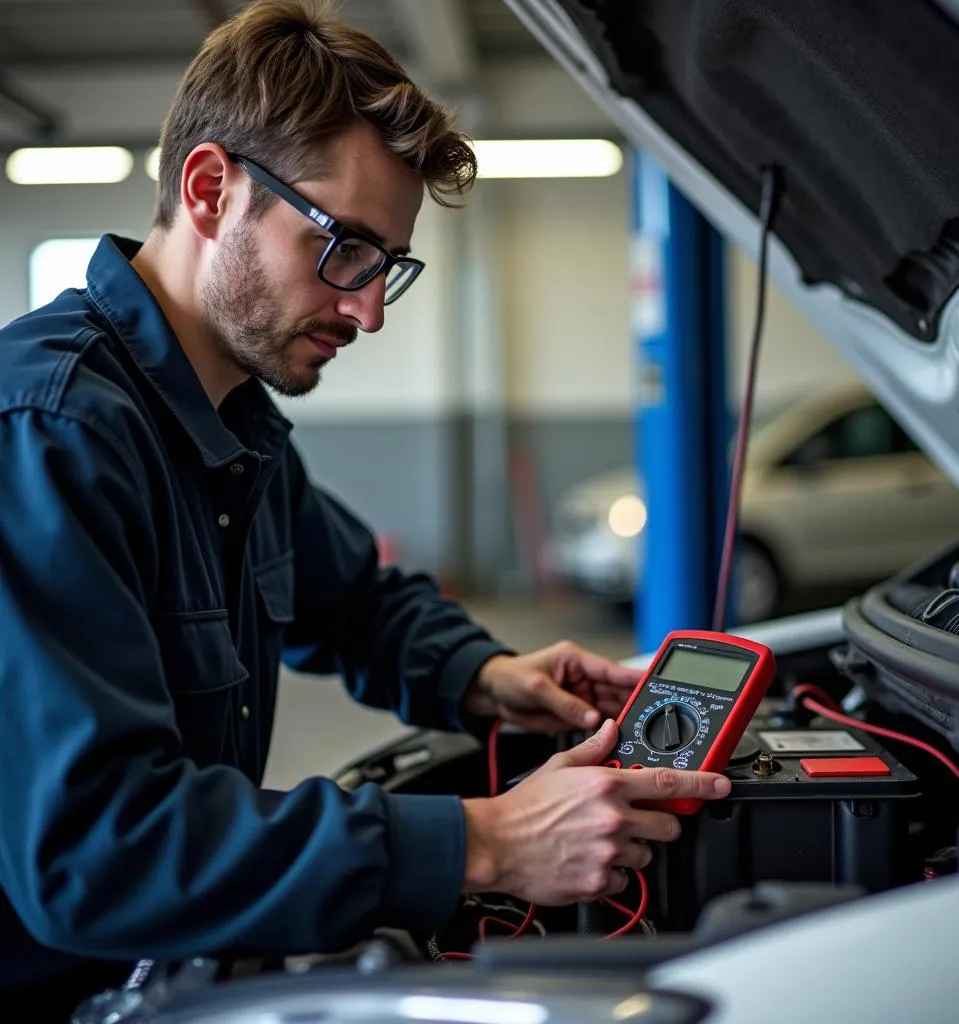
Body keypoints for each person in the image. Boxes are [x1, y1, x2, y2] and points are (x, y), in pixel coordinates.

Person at [0, 0, 731, 1016]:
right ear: (212, 190)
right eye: (344, 249)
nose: (369, 308)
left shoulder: (228, 420)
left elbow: (352, 600)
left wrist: (487, 675)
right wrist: (488, 842)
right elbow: (98, 849)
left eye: (387, 265)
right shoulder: (51, 431)